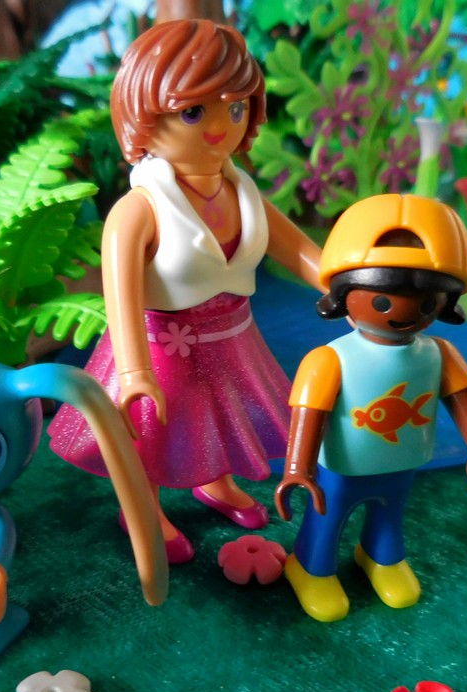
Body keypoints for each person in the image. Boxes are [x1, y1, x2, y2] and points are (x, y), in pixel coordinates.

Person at [48, 20, 322, 563]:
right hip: (159, 347)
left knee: (221, 416)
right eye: (193, 112)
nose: (220, 126)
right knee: (151, 432)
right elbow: (119, 296)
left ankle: (215, 482)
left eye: (236, 107)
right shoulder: (138, 210)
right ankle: (143, 506)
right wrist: (133, 371)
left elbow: (300, 252)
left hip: (232, 336)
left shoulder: (242, 192)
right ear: (143, 119)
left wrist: (346, 280)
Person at [274, 193, 467, 622]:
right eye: (382, 300)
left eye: (426, 303)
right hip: (342, 466)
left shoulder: (439, 353)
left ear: (444, 303)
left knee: (390, 512)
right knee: (328, 516)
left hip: (402, 459)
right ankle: (311, 567)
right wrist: (298, 469)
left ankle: (381, 557)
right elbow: (307, 414)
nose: (404, 312)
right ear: (343, 294)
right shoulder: (329, 359)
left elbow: (463, 400)